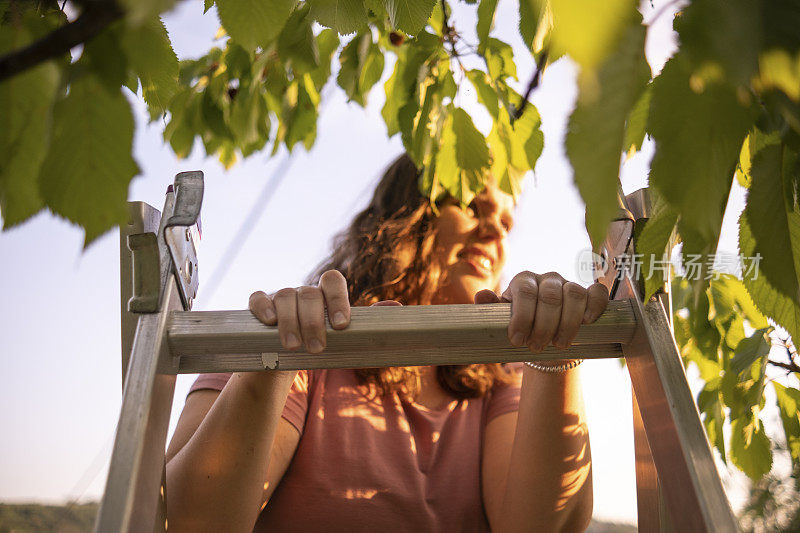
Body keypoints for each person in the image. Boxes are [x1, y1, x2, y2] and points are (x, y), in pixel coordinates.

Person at [164, 154, 609, 532]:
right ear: (408, 214)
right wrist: (275, 362)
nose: (495, 234)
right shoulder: (294, 333)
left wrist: (556, 354)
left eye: (506, 224)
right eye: (473, 206)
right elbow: (191, 520)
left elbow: (540, 526)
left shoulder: (506, 374)